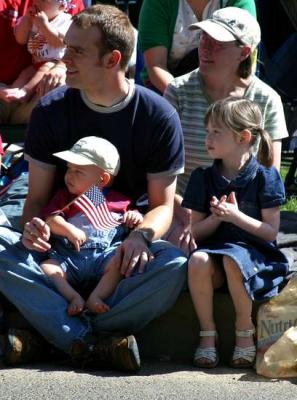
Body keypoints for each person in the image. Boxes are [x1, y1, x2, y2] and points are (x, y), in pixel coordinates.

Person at [0, 4, 187, 373]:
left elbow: (163, 206)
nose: (63, 58)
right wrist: (36, 225)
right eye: (66, 47)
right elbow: (35, 202)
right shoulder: (51, 109)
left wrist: (141, 238)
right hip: (58, 244)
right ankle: (94, 342)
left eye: (77, 51)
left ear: (112, 59)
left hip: (119, 249)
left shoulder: (157, 115)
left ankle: (57, 336)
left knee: (175, 264)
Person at [164, 7, 288, 255]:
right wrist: (187, 218)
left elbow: (270, 175)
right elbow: (162, 171)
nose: (206, 47)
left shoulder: (266, 99)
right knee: (173, 261)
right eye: (203, 38)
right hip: (183, 209)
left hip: (244, 217)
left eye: (218, 42)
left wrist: (235, 218)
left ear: (244, 52)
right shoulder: (177, 92)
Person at [183, 97, 288, 369]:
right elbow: (196, 232)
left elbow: (270, 232)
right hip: (214, 254)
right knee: (198, 260)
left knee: (233, 260)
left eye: (216, 132)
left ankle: (244, 329)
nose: (208, 138)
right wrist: (218, 219)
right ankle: (207, 334)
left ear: (243, 137)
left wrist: (236, 216)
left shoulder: (265, 177)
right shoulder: (203, 177)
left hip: (256, 258)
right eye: (207, 131)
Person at [39, 136, 143, 316]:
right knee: (47, 268)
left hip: (103, 257)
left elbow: (134, 220)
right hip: (69, 258)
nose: (69, 175)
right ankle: (73, 297)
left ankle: (97, 296)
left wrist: (134, 216)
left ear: (102, 179)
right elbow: (50, 219)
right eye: (69, 168)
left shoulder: (119, 200)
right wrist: (68, 229)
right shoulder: (64, 198)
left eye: (78, 171)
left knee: (120, 263)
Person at [138, 0, 256, 93]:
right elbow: (156, 65)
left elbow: (245, 65)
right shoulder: (157, 2)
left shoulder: (240, 2)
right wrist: (185, 98)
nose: (205, 47)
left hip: (227, 85)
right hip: (168, 85)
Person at [0, 0, 84, 124]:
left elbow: (61, 42)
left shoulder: (65, 21)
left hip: (52, 62)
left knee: (46, 74)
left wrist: (44, 26)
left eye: (44, 1)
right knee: (25, 73)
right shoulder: (32, 17)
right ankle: (14, 91)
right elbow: (20, 39)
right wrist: (26, 21)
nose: (37, 3)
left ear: (61, 7)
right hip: (34, 63)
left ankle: (25, 91)